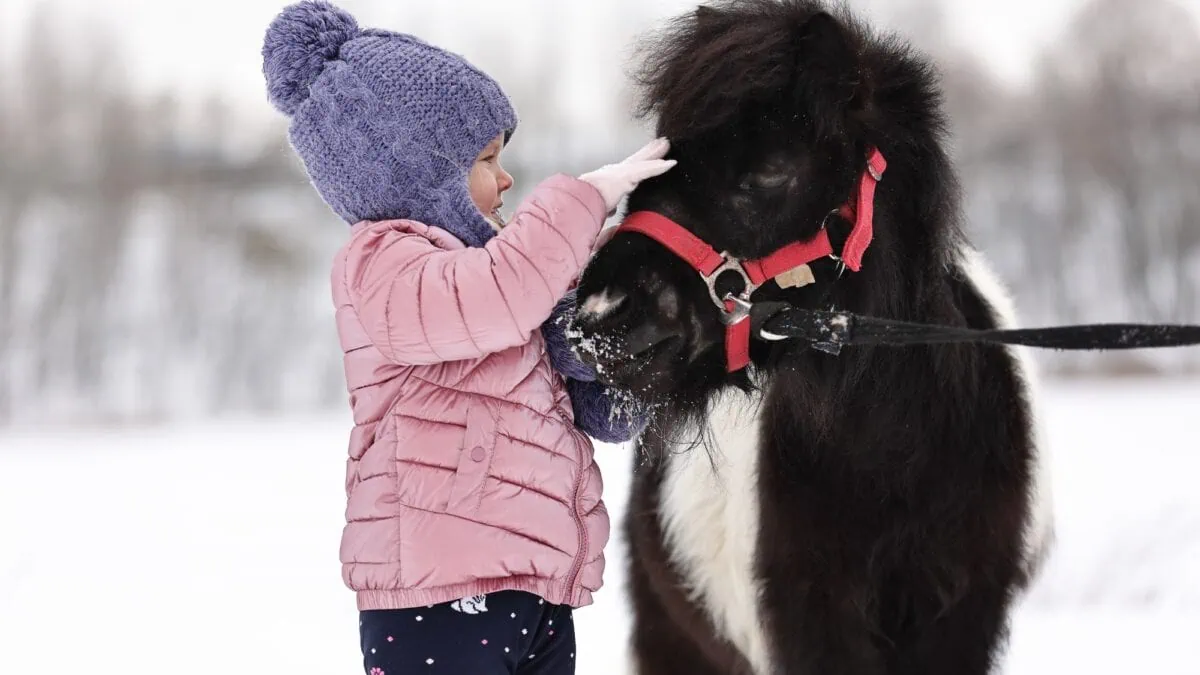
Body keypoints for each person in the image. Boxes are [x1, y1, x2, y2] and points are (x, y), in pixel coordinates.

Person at [261, 2, 675, 672]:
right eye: (486, 160)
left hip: (536, 589)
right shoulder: (383, 263)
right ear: (414, 167)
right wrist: (580, 204)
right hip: (439, 596)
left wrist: (627, 317)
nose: (507, 179)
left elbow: (596, 409)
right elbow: (499, 293)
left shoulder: (503, 282)